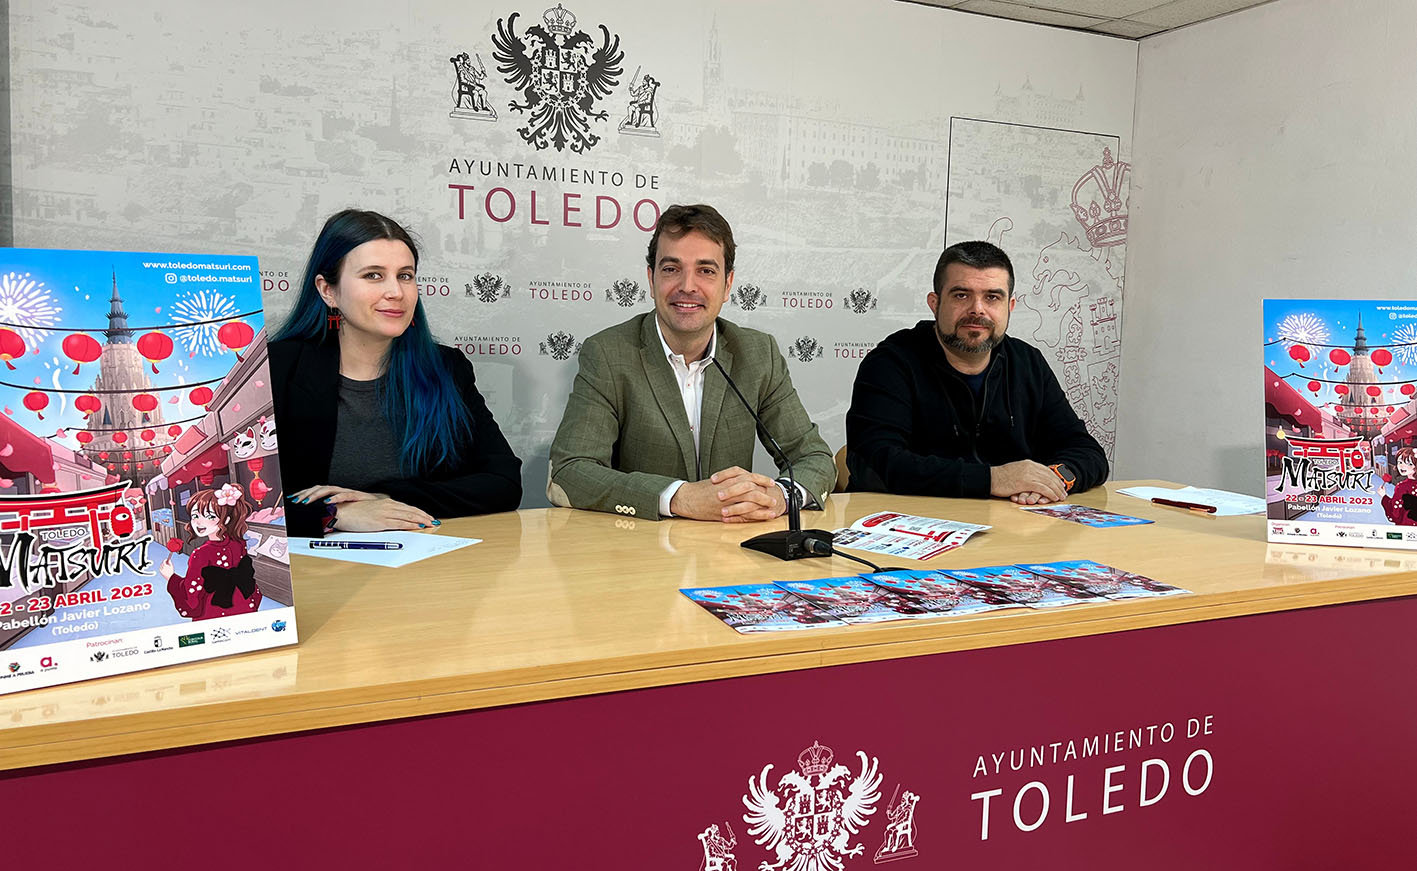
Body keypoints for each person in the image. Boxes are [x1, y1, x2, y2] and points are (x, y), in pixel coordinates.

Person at [548, 203, 834, 521]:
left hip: (732, 552)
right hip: (640, 552)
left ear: (727, 285)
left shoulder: (757, 353)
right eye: (671, 269)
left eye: (706, 271)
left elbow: (814, 457)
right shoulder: (608, 353)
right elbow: (570, 472)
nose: (687, 286)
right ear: (651, 278)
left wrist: (780, 497)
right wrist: (678, 498)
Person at [270, 209, 521, 536]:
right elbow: (230, 501)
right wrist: (334, 515)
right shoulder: (277, 368)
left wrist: (386, 500)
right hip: (309, 576)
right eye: (373, 275)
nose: (396, 292)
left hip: (424, 568)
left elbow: (503, 482)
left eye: (405, 275)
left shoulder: (446, 368)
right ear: (327, 290)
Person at [846, 240, 1107, 503]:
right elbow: (874, 461)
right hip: (911, 528)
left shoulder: (1028, 362)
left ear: (1010, 307)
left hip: (1009, 529)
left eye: (992, 297)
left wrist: (1052, 479)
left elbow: (1087, 451)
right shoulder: (891, 362)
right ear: (935, 303)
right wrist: (993, 479)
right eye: (961, 295)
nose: (977, 309)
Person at [160, 483, 261, 620]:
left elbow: (191, 598)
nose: (199, 522)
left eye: (210, 516)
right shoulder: (238, 544)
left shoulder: (201, 554)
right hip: (245, 606)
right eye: (195, 516)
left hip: (214, 613)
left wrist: (171, 577)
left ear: (226, 519)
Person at [1382, 446, 1417, 525]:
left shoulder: (1402, 486)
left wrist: (1384, 497)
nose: (1402, 466)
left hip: (1408, 526)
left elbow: (1395, 514)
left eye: (1409, 464)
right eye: (1400, 462)